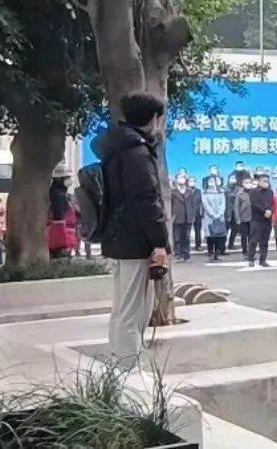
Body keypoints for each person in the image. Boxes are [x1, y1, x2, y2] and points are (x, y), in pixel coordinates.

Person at [95, 92, 169, 362]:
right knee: (133, 311)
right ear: (154, 118)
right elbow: (147, 200)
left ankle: (121, 361)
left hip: (119, 236)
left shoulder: (117, 147)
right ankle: (129, 368)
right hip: (134, 239)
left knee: (123, 307)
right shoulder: (136, 152)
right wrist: (159, 242)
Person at [47, 165, 78, 259]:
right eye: (67, 177)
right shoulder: (57, 195)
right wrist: (62, 244)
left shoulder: (60, 193)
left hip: (64, 239)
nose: (70, 180)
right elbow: (58, 221)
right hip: (62, 243)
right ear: (58, 178)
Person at [248, 172, 274, 268]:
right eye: (264, 181)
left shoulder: (270, 192)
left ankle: (263, 260)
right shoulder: (253, 192)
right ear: (259, 182)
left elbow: (272, 203)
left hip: (267, 220)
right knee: (254, 240)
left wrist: (270, 211)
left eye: (267, 181)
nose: (266, 182)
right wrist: (264, 211)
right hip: (257, 220)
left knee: (264, 241)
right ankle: (251, 259)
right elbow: (254, 203)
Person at [202, 177, 227, 261]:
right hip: (209, 217)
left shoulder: (221, 192)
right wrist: (213, 214)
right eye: (210, 181)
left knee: (219, 236)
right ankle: (210, 254)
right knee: (210, 236)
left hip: (220, 217)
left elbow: (223, 204)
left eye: (213, 181)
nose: (212, 182)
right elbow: (206, 205)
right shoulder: (205, 193)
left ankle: (217, 254)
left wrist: (220, 214)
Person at [170, 176, 195, 262]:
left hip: (188, 217)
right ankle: (178, 255)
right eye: (180, 178)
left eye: (183, 178)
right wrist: (171, 215)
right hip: (177, 217)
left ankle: (186, 254)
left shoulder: (189, 191)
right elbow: (170, 205)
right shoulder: (173, 192)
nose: (181, 180)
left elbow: (192, 204)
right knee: (177, 238)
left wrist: (192, 215)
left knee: (186, 238)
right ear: (176, 180)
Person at [234, 176, 253, 259]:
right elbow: (236, 207)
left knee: (251, 236)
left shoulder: (254, 192)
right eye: (246, 183)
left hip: (253, 218)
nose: (248, 184)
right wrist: (238, 218)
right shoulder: (239, 194)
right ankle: (244, 251)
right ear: (243, 184)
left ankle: (251, 251)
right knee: (244, 236)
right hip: (243, 218)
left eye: (249, 182)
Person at [187, 177, 203, 252]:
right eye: (191, 181)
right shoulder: (185, 191)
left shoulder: (199, 191)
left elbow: (201, 202)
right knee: (187, 231)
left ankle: (198, 245)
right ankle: (186, 246)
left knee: (198, 231)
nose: (192, 182)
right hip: (188, 214)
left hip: (197, 214)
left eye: (193, 181)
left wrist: (201, 212)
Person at [224, 175, 239, 250]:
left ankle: (231, 244)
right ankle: (222, 246)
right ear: (228, 179)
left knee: (235, 229)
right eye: (232, 178)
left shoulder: (238, 189)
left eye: (234, 178)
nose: (233, 179)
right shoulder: (225, 189)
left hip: (236, 212)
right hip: (227, 212)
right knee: (225, 230)